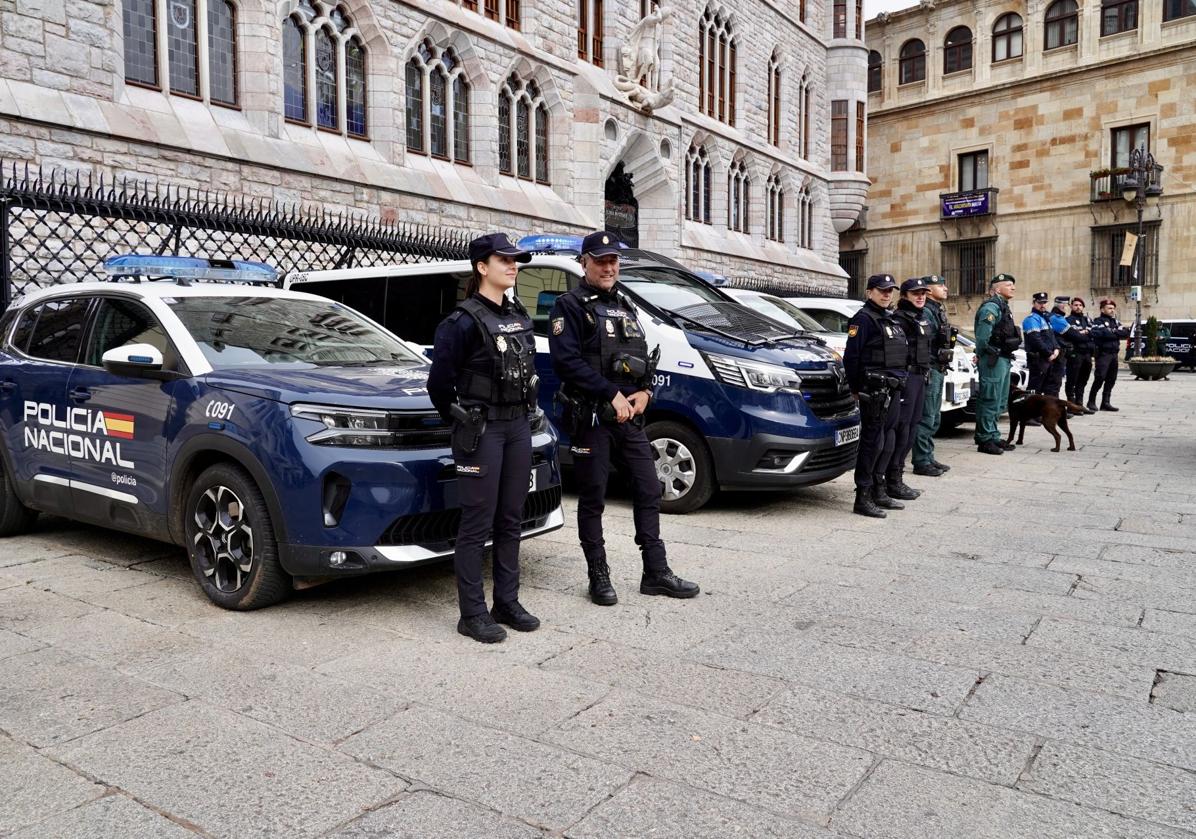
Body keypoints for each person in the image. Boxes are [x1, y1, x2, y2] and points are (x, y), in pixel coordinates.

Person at [549, 231, 699, 605]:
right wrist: (610, 393)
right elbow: (567, 362)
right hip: (592, 417)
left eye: (613, 261)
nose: (609, 267)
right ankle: (598, 575)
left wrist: (647, 391)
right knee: (593, 498)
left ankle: (656, 571)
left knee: (649, 488)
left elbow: (643, 355)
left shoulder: (626, 305)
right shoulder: (569, 305)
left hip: (628, 418)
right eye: (601, 261)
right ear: (584, 263)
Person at [428, 233, 540, 644]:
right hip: (483, 430)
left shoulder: (517, 314)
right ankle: (471, 612)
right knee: (476, 522)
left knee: (512, 517)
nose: (513, 265)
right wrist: (465, 421)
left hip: (517, 426)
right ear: (481, 267)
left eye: (515, 260)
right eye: (504, 259)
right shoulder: (461, 322)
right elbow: (438, 385)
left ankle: (506, 602)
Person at [843, 274, 909, 518]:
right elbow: (852, 357)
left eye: (890, 290)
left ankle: (879, 491)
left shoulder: (887, 318)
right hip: (873, 390)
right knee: (872, 443)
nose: (887, 294)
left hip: (891, 388)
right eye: (882, 290)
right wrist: (856, 389)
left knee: (885, 440)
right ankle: (863, 496)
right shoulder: (863, 319)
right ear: (869, 292)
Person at [887, 277, 933, 498]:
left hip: (920, 377)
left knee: (912, 427)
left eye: (923, 293)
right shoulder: (899, 320)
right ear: (904, 296)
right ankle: (892, 480)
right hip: (906, 378)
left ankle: (897, 477)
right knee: (901, 429)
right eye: (916, 293)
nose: (921, 296)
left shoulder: (920, 317)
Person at [911, 275, 954, 477]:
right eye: (940, 285)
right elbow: (924, 343)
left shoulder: (936, 310)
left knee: (934, 416)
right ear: (929, 290)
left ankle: (928, 456)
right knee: (927, 416)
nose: (945, 288)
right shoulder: (926, 311)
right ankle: (921, 461)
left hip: (939, 367)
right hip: (930, 368)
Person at [974, 274, 1021, 455]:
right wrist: (983, 354)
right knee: (989, 398)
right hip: (993, 359)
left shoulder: (1002, 306)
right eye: (1009, 285)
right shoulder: (991, 307)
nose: (1013, 288)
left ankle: (992, 434)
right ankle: (985, 439)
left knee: (998, 399)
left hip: (1003, 358)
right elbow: (983, 337)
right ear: (997, 289)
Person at [1089, 298, 1130, 411]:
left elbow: (1126, 333)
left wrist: (1112, 332)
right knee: (1100, 377)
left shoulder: (1115, 322)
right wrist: (1115, 333)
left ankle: (1105, 402)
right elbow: (1100, 333)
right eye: (1109, 308)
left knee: (1112, 378)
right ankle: (1091, 401)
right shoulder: (1098, 321)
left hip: (1113, 354)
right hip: (1103, 354)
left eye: (1113, 308)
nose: (1112, 310)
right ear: (1102, 309)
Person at [1022, 292, 1060, 394]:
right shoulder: (1032, 319)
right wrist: (1049, 353)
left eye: (1044, 302)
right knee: (1035, 388)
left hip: (1049, 358)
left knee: (1049, 388)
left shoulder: (1045, 318)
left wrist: (1056, 348)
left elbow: (1052, 336)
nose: (1043, 305)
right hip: (1038, 359)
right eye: (1040, 302)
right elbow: (1035, 340)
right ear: (1034, 302)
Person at [1065, 297, 1096, 413]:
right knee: (1072, 379)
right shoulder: (1068, 320)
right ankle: (1071, 405)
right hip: (1075, 353)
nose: (1078, 307)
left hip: (1087, 354)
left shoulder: (1087, 320)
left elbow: (1095, 333)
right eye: (1076, 305)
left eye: (1080, 305)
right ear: (1071, 306)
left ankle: (1080, 404)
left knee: (1083, 379)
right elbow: (1072, 336)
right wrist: (1084, 334)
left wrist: (1085, 332)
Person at [1047, 295, 1078, 403]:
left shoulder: (1056, 317)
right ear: (1062, 305)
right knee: (1054, 382)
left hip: (1060, 352)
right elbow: (1073, 334)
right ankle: (1052, 407)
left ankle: (1054, 406)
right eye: (1066, 305)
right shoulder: (1056, 318)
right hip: (1058, 352)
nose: (1067, 307)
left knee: (1056, 382)